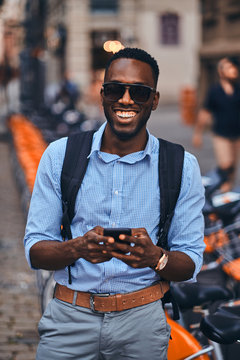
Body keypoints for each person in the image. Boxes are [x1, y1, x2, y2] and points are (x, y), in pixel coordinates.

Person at [24, 47, 205, 360]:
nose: (125, 99)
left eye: (139, 91)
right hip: (70, 318)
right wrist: (76, 248)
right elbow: (36, 250)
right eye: (114, 89)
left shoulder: (181, 165)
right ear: (102, 95)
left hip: (142, 323)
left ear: (154, 100)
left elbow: (189, 261)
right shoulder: (59, 156)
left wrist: (155, 258)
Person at [192, 57, 240, 192]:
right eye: (229, 67)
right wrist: (198, 133)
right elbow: (205, 113)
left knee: (233, 167)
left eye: (234, 67)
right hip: (221, 134)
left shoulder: (238, 89)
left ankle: (227, 193)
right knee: (226, 164)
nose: (233, 70)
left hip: (236, 135)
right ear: (221, 71)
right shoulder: (215, 91)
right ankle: (223, 190)